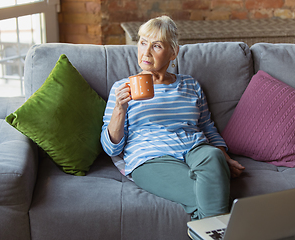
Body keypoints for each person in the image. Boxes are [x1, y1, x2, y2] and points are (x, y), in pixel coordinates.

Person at [100, 15, 245, 220]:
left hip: (196, 149)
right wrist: (120, 109)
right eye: (143, 43)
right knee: (209, 197)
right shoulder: (122, 89)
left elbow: (207, 127)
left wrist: (225, 159)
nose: (146, 52)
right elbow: (111, 148)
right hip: (151, 157)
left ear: (173, 52)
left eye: (156, 46)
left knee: (213, 157)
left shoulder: (191, 85)